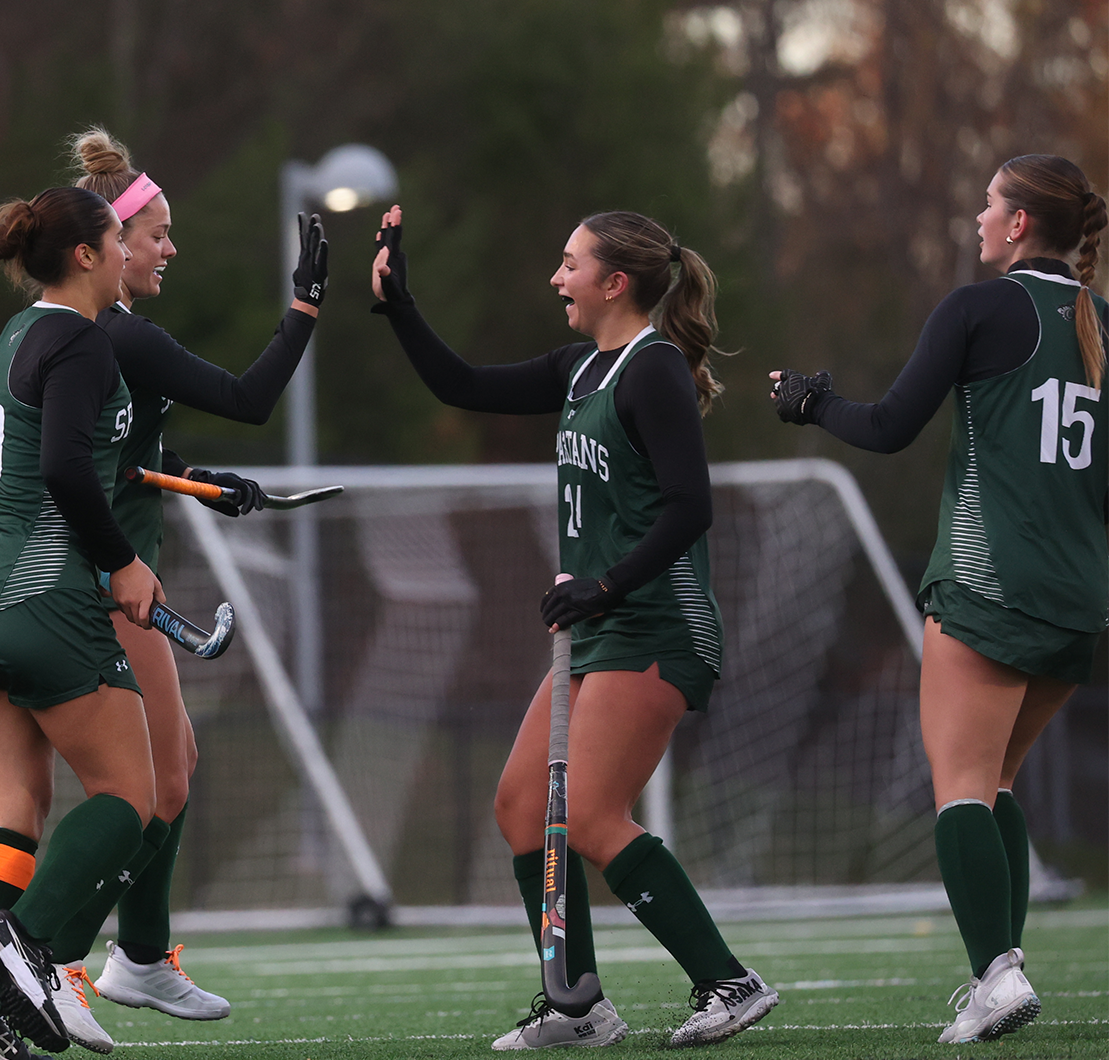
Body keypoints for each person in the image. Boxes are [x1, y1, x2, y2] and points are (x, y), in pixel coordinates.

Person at [371, 205, 779, 1049]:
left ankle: (728, 982)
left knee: (589, 813)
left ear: (614, 282)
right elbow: (464, 386)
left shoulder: (652, 368)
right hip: (601, 627)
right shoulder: (580, 367)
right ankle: (576, 1004)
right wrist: (401, 309)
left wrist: (605, 583)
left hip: (657, 621)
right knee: (524, 806)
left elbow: (690, 506)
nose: (557, 277)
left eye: (570, 264)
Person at [769, 154, 1107, 1045]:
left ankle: (996, 976)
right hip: (1081, 601)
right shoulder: (1102, 320)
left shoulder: (978, 307)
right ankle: (1007, 968)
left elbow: (885, 429)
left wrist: (815, 403)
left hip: (990, 583)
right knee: (993, 781)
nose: (979, 215)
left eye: (990, 202)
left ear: (1022, 223)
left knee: (960, 787)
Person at [26, 129, 323, 1046]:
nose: (166, 248)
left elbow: (122, 446)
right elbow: (249, 397)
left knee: (172, 771)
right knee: (148, 786)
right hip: (91, 583)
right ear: (108, 243)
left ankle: (139, 956)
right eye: (154, 234)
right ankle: (56, 963)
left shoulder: (98, 335)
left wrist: (197, 477)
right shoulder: (118, 335)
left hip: (97, 577)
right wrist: (305, 309)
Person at [0, 186, 164, 1060]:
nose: (133, 255)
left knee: (11, 809)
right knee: (130, 798)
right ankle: (24, 943)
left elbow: (54, 451)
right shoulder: (80, 340)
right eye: (120, 241)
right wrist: (124, 560)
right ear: (87, 256)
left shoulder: (18, 333)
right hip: (39, 592)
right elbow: (66, 467)